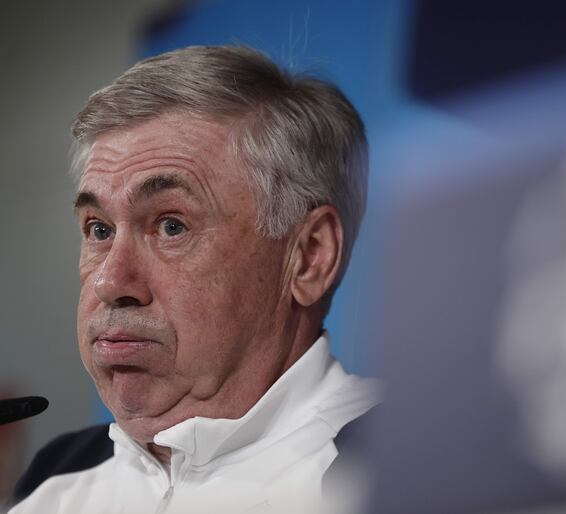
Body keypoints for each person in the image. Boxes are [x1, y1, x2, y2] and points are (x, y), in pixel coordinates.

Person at [8, 45, 380, 513]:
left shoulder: (413, 472)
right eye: (99, 230)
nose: (109, 282)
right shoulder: (56, 476)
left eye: (171, 226)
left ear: (308, 257)